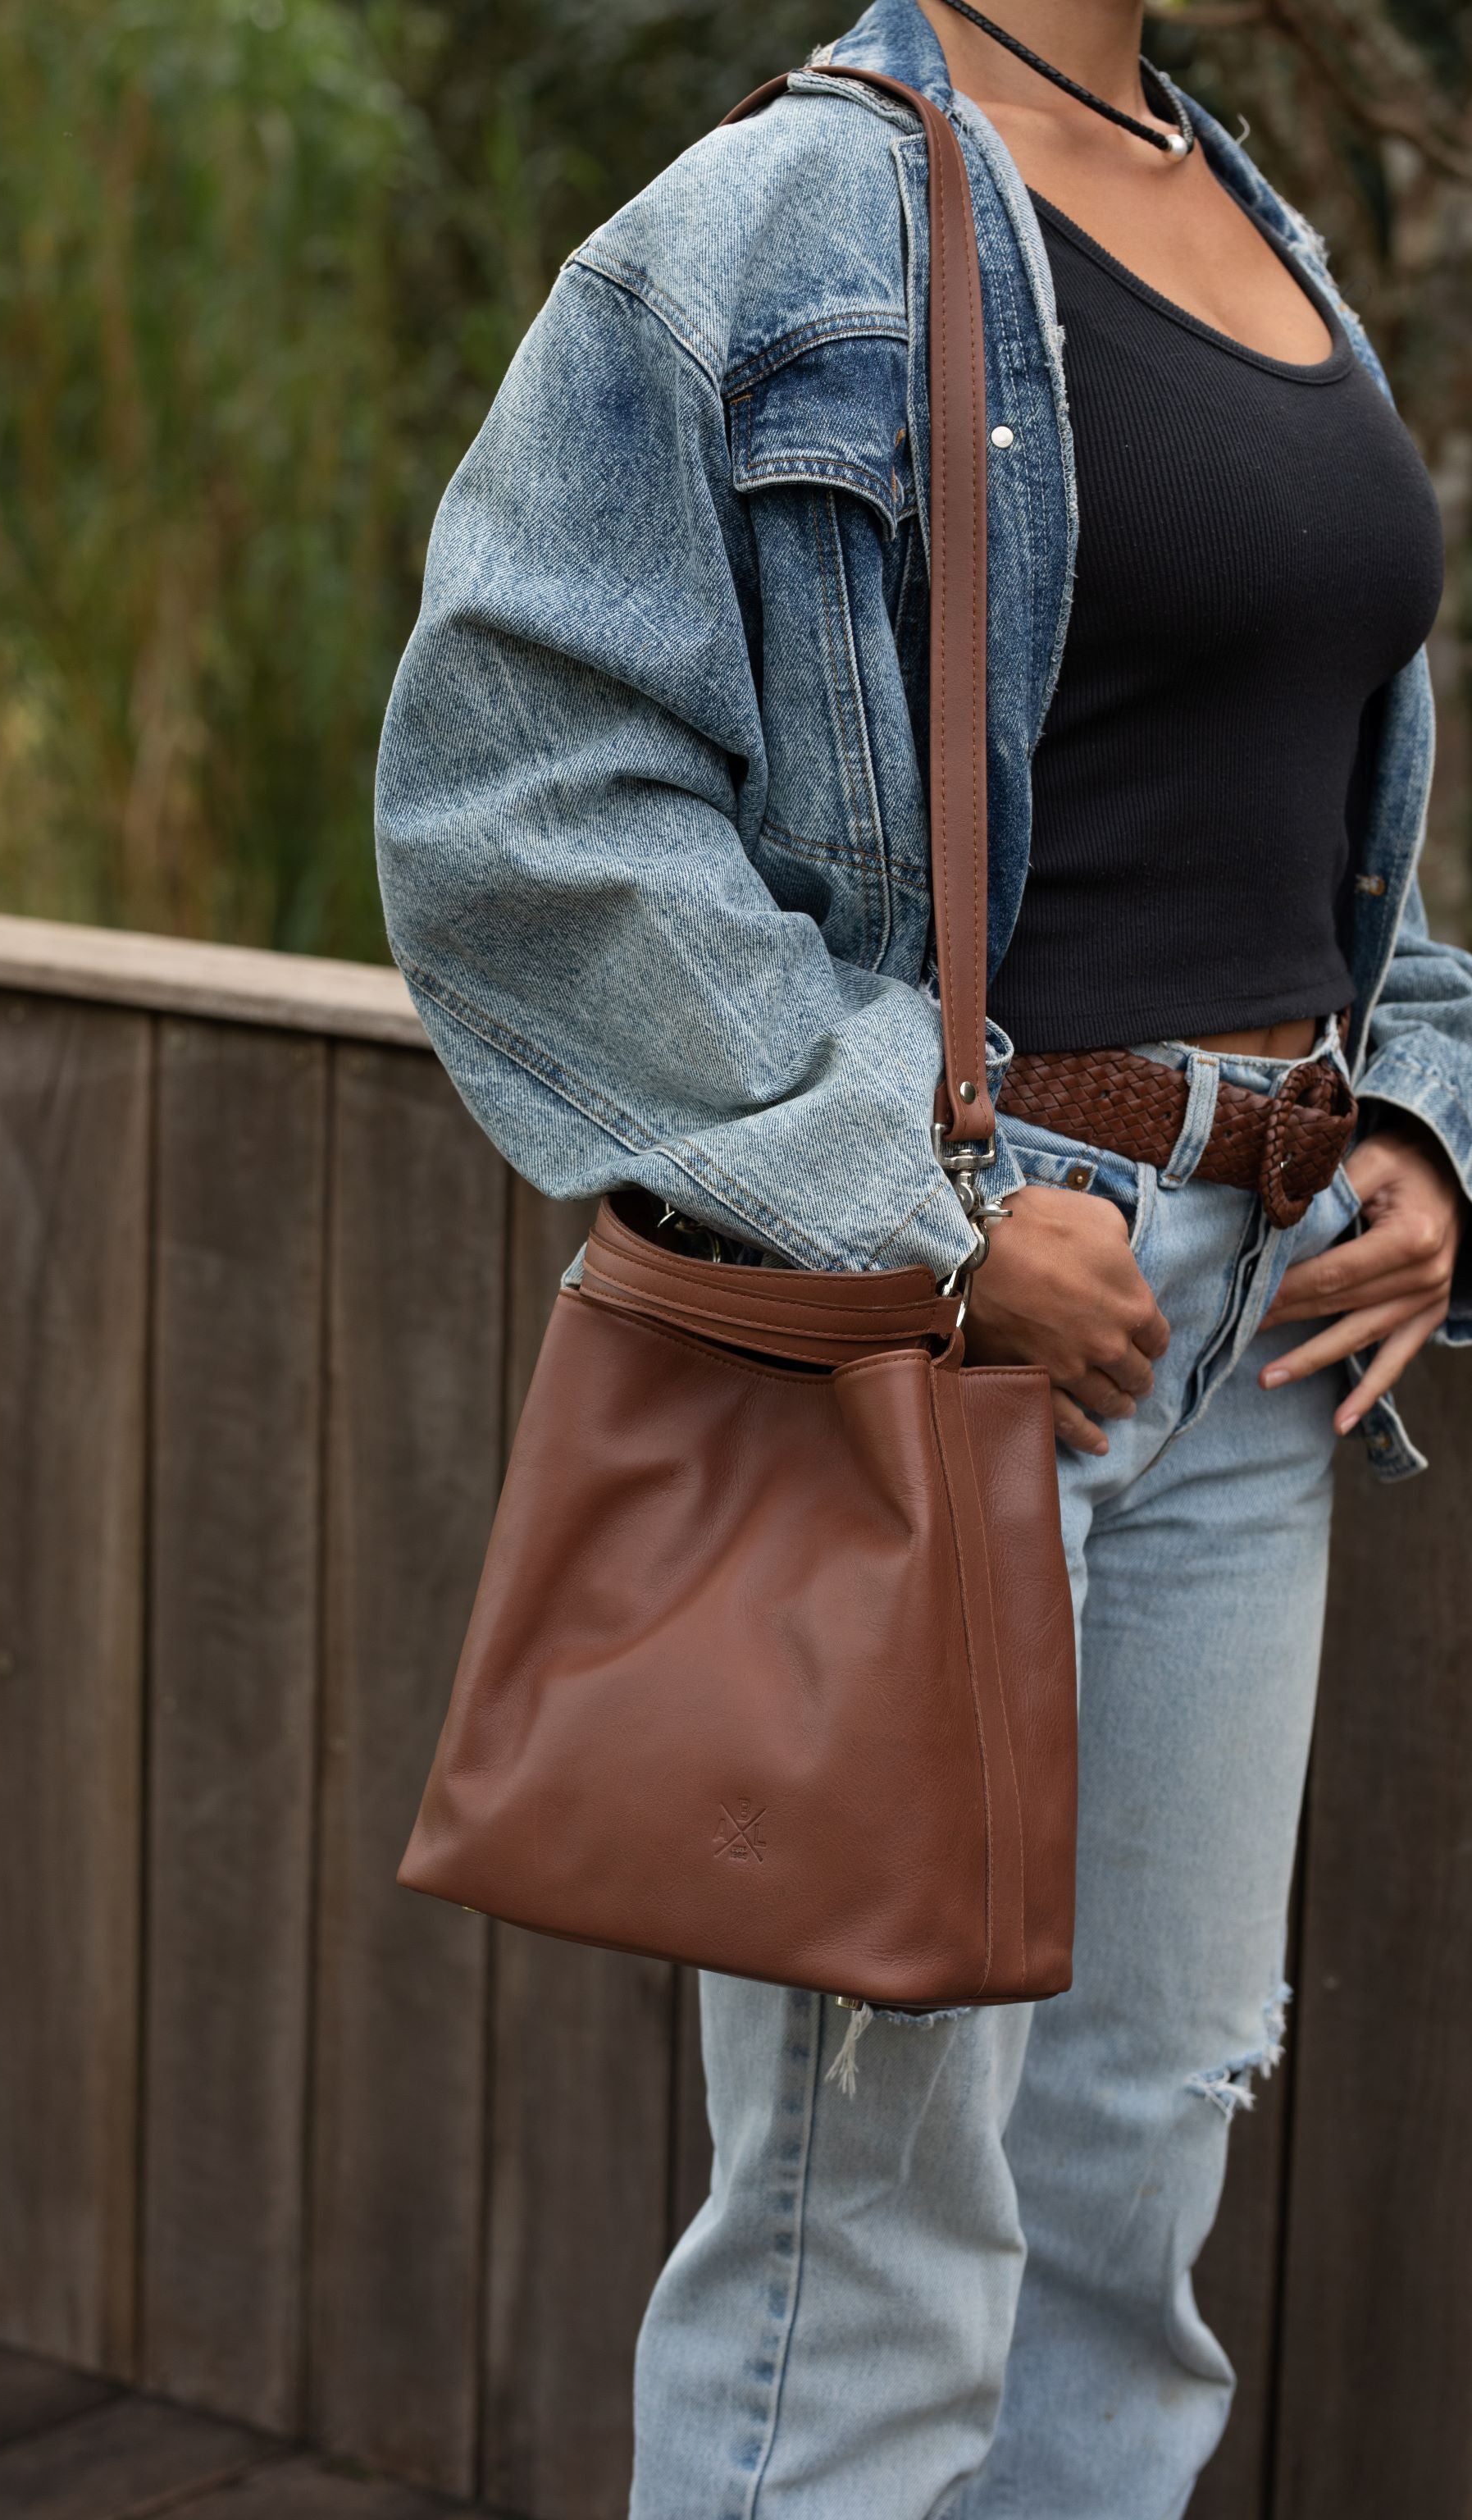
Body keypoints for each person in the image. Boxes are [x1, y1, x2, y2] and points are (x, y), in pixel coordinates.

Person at [374, 0, 1472, 2508]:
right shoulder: (778, 223)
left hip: (1262, 1350)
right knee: (863, 2237)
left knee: (1131, 2193)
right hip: (965, 1336)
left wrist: (1423, 1127)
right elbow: (521, 809)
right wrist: (940, 1214)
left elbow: (1322, 834)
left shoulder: (1266, 231)